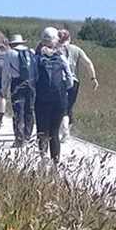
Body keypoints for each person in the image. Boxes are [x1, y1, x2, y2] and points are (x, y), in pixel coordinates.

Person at [31, 27, 75, 163]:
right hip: (59, 100)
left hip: (42, 100)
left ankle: (43, 159)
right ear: (55, 41)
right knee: (54, 132)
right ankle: (56, 162)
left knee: (42, 131)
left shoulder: (36, 58)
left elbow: (32, 79)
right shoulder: (61, 57)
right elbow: (70, 81)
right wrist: (62, 89)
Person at [56, 28, 99, 139]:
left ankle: (63, 130)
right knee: (69, 106)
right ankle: (66, 130)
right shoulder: (76, 49)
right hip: (74, 82)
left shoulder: (55, 50)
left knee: (61, 107)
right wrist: (93, 78)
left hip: (59, 82)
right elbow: (88, 63)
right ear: (69, 38)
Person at [8, 33, 36, 146]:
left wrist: (4, 88)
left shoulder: (9, 53)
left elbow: (6, 72)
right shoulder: (31, 52)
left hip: (16, 83)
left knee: (18, 111)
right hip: (31, 84)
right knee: (29, 110)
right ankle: (28, 135)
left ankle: (19, 138)